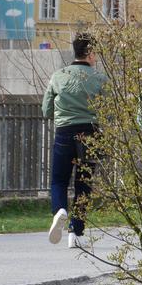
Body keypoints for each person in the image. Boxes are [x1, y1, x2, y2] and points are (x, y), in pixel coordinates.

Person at [42, 32, 106, 247]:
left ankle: (60, 209)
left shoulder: (58, 76)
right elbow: (111, 110)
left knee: (59, 180)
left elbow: (46, 109)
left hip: (64, 131)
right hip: (90, 132)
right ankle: (75, 234)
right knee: (84, 183)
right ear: (90, 53)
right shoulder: (99, 79)